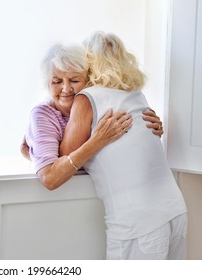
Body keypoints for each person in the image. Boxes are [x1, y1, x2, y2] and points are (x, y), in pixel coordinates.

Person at [59, 31, 187, 260]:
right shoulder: (136, 95)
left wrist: (31, 148)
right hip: (175, 210)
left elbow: (64, 156)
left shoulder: (86, 98)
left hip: (139, 223)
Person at [22, 44, 163, 191]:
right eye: (57, 82)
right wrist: (97, 141)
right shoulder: (43, 114)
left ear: (88, 81)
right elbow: (49, 179)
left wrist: (149, 128)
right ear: (47, 84)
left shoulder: (95, 104)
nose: (66, 89)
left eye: (74, 80)